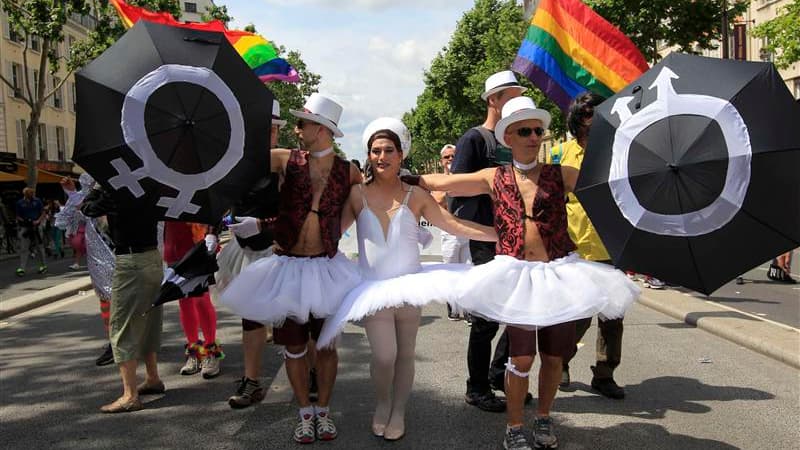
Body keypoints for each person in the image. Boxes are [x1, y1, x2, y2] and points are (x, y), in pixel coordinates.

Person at [406, 96, 639, 449]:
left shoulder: (560, 175)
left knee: (554, 356)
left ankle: (543, 420)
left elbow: (608, 185)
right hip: (518, 276)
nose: (533, 136)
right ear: (508, 137)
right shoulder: (493, 176)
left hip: (559, 272)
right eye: (525, 130)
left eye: (537, 130)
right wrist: (404, 177)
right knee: (521, 357)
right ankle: (514, 426)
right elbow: (445, 183)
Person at [316, 118, 496, 441]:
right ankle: (382, 403)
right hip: (372, 290)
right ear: (368, 156)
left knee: (406, 354)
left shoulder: (416, 196)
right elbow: (331, 234)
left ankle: (398, 410)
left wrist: (497, 234)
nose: (381, 156)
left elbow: (452, 225)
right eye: (375, 151)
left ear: (400, 155)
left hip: (411, 288)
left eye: (388, 150)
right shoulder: (357, 195)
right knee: (384, 356)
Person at [220, 93, 362, 443]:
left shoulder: (350, 172)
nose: (296, 129)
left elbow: (367, 207)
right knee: (294, 348)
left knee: (326, 347)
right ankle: (304, 414)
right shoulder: (286, 160)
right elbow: (238, 161)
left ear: (323, 129)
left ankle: (323, 412)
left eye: (303, 123)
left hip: (326, 268)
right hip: (289, 266)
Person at [450, 70, 526, 413]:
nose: (514, 100)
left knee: (519, 312)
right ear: (492, 100)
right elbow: (457, 189)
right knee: (486, 318)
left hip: (517, 238)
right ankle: (476, 387)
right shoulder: (475, 139)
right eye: (508, 94)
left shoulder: (516, 139)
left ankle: (498, 375)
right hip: (486, 238)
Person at [546, 92, 627, 399]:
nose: (593, 119)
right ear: (578, 118)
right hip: (575, 245)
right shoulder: (558, 153)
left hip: (611, 244)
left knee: (612, 316)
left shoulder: (618, 151)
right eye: (588, 113)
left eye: (599, 112)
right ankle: (562, 361)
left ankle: (605, 375)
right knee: (576, 313)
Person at [220, 99, 284, 408]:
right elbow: (227, 205)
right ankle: (252, 380)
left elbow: (296, 213)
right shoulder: (236, 164)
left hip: (280, 250)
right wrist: (227, 223)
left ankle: (307, 373)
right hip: (246, 252)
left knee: (292, 317)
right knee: (251, 317)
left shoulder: (286, 165)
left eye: (271, 130)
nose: (266, 135)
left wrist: (263, 224)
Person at [82, 183, 164, 413]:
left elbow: (88, 208)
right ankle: (153, 377)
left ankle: (130, 395)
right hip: (153, 258)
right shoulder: (151, 181)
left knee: (120, 327)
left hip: (130, 262)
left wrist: (98, 187)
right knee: (149, 321)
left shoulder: (115, 187)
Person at [56, 175, 117, 366]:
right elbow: (73, 216)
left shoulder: (122, 179)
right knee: (106, 298)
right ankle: (114, 343)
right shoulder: (90, 185)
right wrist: (73, 192)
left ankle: (127, 342)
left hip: (122, 247)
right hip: (99, 250)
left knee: (126, 298)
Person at [163, 221, 224, 378]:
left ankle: (210, 350)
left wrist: (212, 233)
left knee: (201, 298)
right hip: (175, 244)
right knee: (184, 300)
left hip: (198, 242)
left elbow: (213, 207)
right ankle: (194, 350)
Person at [431, 144, 472, 321]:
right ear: (442, 161)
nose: (450, 160)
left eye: (453, 156)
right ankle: (453, 308)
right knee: (451, 271)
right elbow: (437, 201)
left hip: (467, 231)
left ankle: (469, 310)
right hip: (449, 233)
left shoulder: (467, 178)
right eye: (446, 157)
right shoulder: (438, 180)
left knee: (468, 272)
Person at [15, 187, 47, 276]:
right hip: (25, 227)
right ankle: (22, 268)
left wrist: (38, 221)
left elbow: (43, 212)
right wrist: (25, 221)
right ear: (25, 194)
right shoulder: (20, 203)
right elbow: (17, 215)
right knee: (24, 248)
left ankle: (43, 265)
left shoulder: (37, 201)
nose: (31, 195)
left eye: (31, 194)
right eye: (29, 194)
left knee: (39, 247)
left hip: (36, 227)